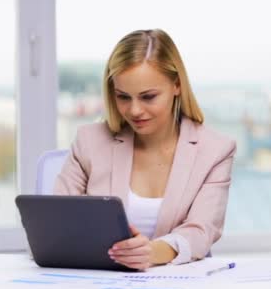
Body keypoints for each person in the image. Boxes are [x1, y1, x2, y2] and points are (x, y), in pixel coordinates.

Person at [54, 29, 236, 270]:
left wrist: (151, 252)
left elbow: (201, 231)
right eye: (123, 97)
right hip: (99, 285)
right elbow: (56, 223)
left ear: (177, 86)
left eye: (148, 97)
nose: (134, 111)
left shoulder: (215, 150)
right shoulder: (89, 142)